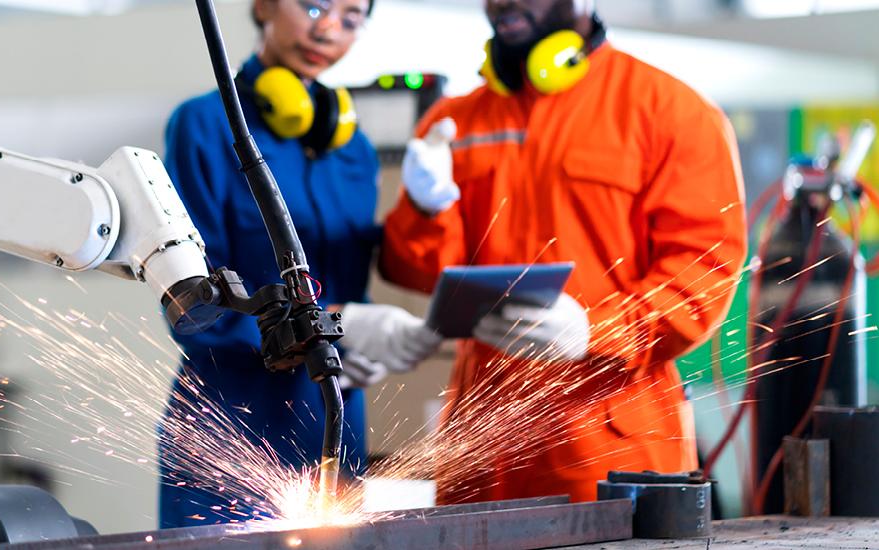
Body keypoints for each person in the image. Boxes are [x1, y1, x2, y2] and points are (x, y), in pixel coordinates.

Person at [381, 0, 747, 504]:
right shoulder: (454, 122)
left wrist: (596, 330)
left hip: (609, 448)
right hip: (480, 444)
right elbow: (418, 272)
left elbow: (703, 271)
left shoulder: (670, 110)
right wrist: (424, 210)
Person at [159, 0, 441, 527]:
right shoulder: (204, 126)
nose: (329, 28)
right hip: (230, 429)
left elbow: (351, 281)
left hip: (333, 424)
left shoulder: (351, 148)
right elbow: (191, 305)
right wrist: (334, 327)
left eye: (352, 17)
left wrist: (359, 340)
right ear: (263, 5)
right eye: (313, 5)